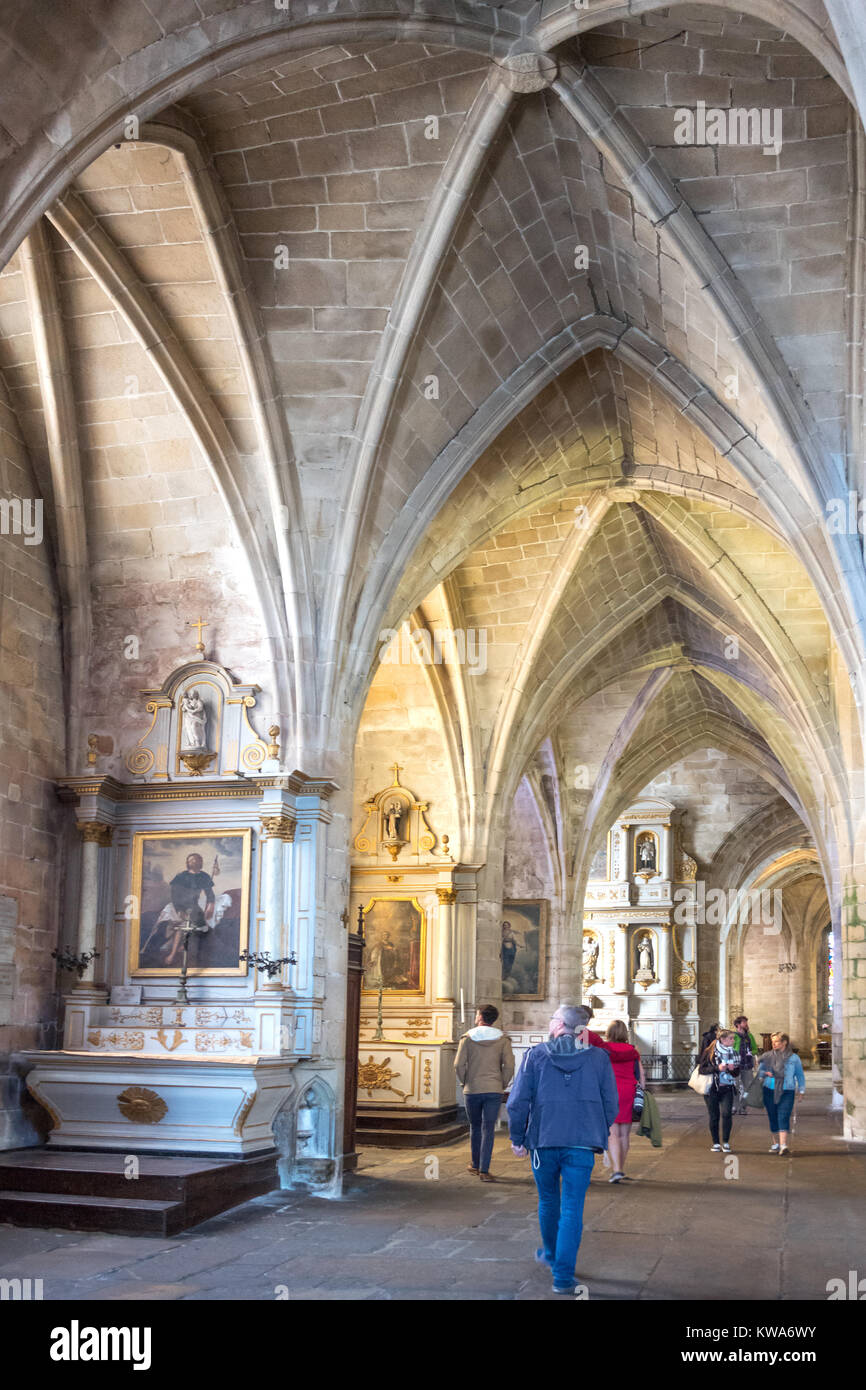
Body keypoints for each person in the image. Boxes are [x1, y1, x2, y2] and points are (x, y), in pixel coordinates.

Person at [507, 1004, 619, 1294]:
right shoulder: (598, 1058)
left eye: (553, 1017)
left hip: (543, 1143)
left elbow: (517, 1102)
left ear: (560, 1024)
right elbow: (611, 1103)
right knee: (572, 1208)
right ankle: (563, 1277)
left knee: (548, 1200)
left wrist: (517, 1138)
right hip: (581, 1143)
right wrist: (601, 1132)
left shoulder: (535, 1055)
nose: (550, 1021)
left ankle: (552, 1254)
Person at [455, 1005, 515, 1182]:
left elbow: (458, 1065)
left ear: (480, 1017)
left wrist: (465, 1081)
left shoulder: (467, 1038)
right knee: (489, 1128)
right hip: (494, 1089)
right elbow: (509, 1066)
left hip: (472, 1089)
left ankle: (474, 1164)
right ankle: (484, 1169)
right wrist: (501, 1083)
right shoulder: (503, 1039)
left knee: (475, 1126)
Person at [596, 1020, 646, 1183]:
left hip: (610, 1091)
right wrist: (642, 1093)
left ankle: (617, 1170)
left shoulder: (604, 1049)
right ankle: (620, 1169)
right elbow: (641, 1075)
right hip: (628, 1091)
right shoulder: (633, 1050)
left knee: (613, 1134)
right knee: (624, 1134)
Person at [757, 1031, 806, 1156]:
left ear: (784, 1042)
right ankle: (776, 1144)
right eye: (772, 1042)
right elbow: (759, 1072)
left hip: (787, 1090)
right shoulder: (767, 1056)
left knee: (783, 1116)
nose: (774, 1044)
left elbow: (800, 1075)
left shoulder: (793, 1058)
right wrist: (765, 1073)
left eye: (777, 1041)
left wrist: (801, 1090)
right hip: (768, 1090)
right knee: (773, 1117)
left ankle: (783, 1145)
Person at [698, 1027, 740, 1152]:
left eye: (733, 1038)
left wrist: (733, 1070)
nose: (733, 1041)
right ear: (722, 1039)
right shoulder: (710, 1052)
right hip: (712, 1088)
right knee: (714, 1115)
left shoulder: (734, 1053)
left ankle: (726, 1142)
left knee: (727, 1114)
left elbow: (736, 1073)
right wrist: (717, 1068)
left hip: (727, 1087)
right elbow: (702, 1069)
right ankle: (716, 1143)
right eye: (731, 1038)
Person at [732, 1014, 757, 1114]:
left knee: (747, 1088)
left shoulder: (750, 1036)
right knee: (735, 1087)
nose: (746, 1024)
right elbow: (730, 1049)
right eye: (744, 1022)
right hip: (735, 1066)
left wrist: (751, 1052)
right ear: (738, 1024)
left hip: (747, 1066)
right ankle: (734, 1106)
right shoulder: (733, 1036)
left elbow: (755, 1049)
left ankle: (743, 1107)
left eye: (746, 1022)